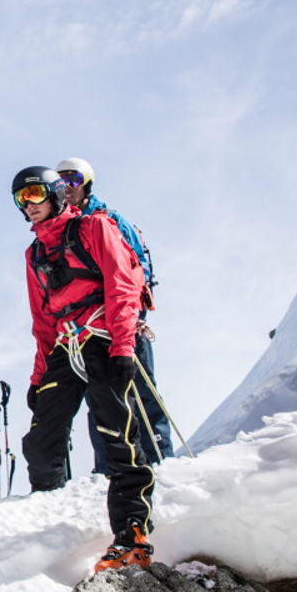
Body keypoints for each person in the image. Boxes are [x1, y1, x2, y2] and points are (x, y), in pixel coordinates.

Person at [11, 166, 155, 572]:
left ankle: (133, 535)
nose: (28, 204)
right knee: (41, 441)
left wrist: (124, 346)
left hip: (104, 336)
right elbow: (41, 320)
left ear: (56, 193)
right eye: (21, 199)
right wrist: (38, 378)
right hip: (65, 343)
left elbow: (122, 285)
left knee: (116, 433)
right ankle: (47, 525)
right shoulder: (35, 253)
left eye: (35, 193)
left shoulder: (95, 227)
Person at [55, 157, 174, 470]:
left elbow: (134, 268)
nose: (66, 189)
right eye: (60, 183)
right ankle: (108, 466)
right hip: (88, 324)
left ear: (86, 184)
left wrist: (130, 311)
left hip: (122, 315)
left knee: (140, 385)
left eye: (73, 181)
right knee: (101, 393)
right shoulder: (61, 229)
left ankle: (161, 458)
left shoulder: (108, 219)